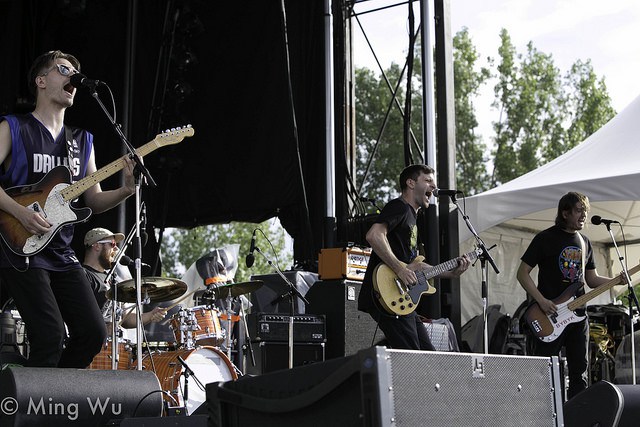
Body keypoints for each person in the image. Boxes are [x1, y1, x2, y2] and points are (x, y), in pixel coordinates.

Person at [0, 50, 136, 367]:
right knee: (49, 336)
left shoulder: (81, 141)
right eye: (64, 70)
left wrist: (126, 191)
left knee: (92, 333)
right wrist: (20, 213)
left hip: (61, 252)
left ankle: (56, 399)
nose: (73, 77)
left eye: (76, 72)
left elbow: (94, 199)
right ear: (41, 80)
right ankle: (32, 411)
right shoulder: (13, 128)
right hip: (20, 249)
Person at [517, 192, 619, 400]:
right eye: (579, 210)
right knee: (545, 371)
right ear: (565, 212)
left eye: (586, 211)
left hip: (578, 315)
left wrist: (616, 280)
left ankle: (576, 417)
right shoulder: (545, 238)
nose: (584, 215)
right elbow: (522, 273)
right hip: (550, 314)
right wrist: (542, 301)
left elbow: (591, 279)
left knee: (579, 372)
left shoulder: (584, 242)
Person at [358, 164, 471, 350]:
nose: (433, 187)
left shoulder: (413, 217)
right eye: (427, 181)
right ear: (411, 183)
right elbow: (374, 235)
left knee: (427, 354)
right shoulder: (399, 207)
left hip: (401, 297)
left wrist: (452, 274)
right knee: (412, 357)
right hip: (386, 292)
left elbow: (417, 267)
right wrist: (400, 269)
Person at [82, 227, 167, 337]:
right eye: (112, 244)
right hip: (91, 345)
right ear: (97, 246)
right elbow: (78, 314)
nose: (116, 249)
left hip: (115, 347)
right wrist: (102, 328)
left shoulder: (112, 279)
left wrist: (150, 315)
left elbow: (124, 318)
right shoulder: (82, 275)